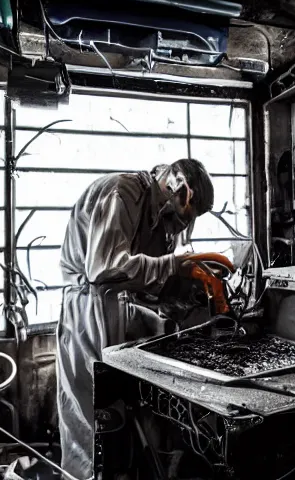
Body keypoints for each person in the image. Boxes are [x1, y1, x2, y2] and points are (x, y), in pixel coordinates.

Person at [56, 158, 215, 479]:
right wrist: (174, 265)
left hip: (123, 313)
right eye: (182, 218)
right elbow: (103, 267)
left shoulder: (160, 212)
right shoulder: (123, 193)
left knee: (127, 423)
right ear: (179, 189)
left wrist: (189, 294)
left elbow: (150, 273)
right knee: (92, 422)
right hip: (90, 311)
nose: (179, 230)